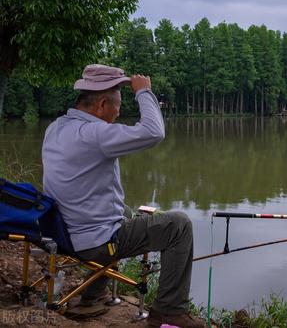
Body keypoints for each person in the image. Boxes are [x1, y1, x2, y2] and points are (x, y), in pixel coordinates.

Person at [42, 64, 203, 328]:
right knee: (179, 225)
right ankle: (169, 310)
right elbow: (154, 131)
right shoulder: (96, 134)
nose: (118, 113)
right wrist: (144, 92)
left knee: (126, 213)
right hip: (93, 243)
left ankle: (93, 295)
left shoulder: (57, 127)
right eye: (117, 106)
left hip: (63, 235)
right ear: (102, 105)